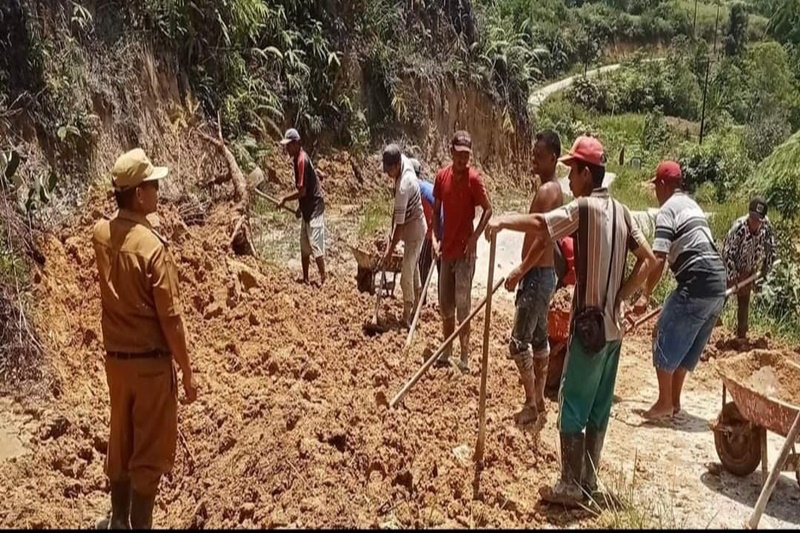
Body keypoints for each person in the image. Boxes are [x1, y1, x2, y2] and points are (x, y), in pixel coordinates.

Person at [485, 135, 656, 507]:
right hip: (613, 330)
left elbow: (541, 224)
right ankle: (588, 481)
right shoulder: (623, 212)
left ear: (586, 174)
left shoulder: (583, 208)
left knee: (572, 402)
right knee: (598, 406)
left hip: (589, 329)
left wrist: (502, 221)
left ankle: (569, 485)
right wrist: (622, 295)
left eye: (573, 172)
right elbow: (649, 259)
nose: (570, 180)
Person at [92, 148, 198, 529]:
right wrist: (187, 371)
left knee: (120, 442)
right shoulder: (153, 249)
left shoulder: (101, 235)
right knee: (148, 458)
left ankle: (117, 521)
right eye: (153, 185)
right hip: (151, 368)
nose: (157, 191)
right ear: (138, 194)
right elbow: (171, 319)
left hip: (116, 363)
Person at [634, 161, 727, 420]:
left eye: (656, 186)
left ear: (664, 185)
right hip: (718, 284)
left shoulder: (667, 210)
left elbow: (659, 257)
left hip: (697, 280)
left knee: (662, 331)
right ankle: (674, 402)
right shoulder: (691, 205)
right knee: (686, 346)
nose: (656, 192)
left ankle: (664, 402)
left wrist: (644, 294)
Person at [504, 129, 564, 426]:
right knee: (540, 340)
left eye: (539, 156)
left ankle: (530, 402)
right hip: (543, 275)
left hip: (537, 275)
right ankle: (539, 399)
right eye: (533, 155)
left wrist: (521, 269)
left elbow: (544, 238)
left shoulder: (548, 192)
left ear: (553, 158)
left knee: (518, 342)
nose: (534, 160)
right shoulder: (550, 190)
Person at [432, 131, 493, 373]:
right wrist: (435, 238)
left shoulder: (474, 179)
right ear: (451, 152)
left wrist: (474, 237)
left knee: (463, 306)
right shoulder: (441, 177)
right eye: (458, 155)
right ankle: (447, 351)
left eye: (466, 155)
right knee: (445, 305)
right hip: (446, 252)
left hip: (465, 254)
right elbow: (436, 210)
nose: (462, 160)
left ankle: (465, 356)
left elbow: (488, 210)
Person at [381, 145, 428, 326]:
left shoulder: (403, 187)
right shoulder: (404, 161)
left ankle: (407, 316)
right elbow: (397, 218)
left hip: (414, 231)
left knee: (405, 276)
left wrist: (389, 252)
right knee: (413, 268)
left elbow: (399, 226)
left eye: (389, 171)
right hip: (412, 226)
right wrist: (390, 235)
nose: (388, 175)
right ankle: (417, 307)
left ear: (396, 165)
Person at [721, 197, 777, 339]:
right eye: (752, 218)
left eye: (758, 220)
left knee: (744, 299)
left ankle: (741, 335)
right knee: (720, 299)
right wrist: (733, 277)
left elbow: (771, 248)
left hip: (748, 269)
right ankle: (706, 331)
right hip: (729, 268)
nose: (754, 222)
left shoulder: (766, 227)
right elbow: (727, 254)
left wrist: (766, 267)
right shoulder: (739, 228)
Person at [278, 128, 326, 285]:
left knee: (316, 245)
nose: (287, 148)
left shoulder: (302, 161)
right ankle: (305, 279)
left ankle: (324, 279)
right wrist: (300, 208)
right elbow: (304, 189)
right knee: (304, 245)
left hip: (315, 208)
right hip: (307, 208)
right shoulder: (297, 159)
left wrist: (285, 199)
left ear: (297, 144)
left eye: (289, 145)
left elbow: (302, 191)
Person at [410, 158, 441, 296]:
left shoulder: (419, 191)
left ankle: (421, 298)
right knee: (442, 268)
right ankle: (443, 301)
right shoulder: (425, 186)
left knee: (422, 263)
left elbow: (430, 217)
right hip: (443, 228)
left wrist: (431, 238)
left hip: (436, 230)